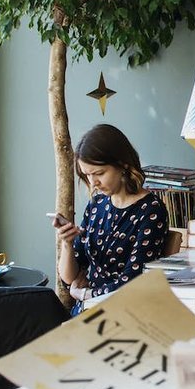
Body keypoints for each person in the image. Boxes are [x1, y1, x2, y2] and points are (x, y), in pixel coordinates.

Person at [54, 124, 169, 314]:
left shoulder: (151, 210)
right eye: (87, 175)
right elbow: (69, 278)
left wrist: (85, 294)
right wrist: (67, 243)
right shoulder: (96, 205)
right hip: (88, 311)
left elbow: (134, 279)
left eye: (99, 173)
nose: (93, 182)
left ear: (122, 165)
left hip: (124, 314)